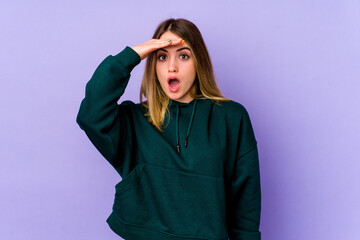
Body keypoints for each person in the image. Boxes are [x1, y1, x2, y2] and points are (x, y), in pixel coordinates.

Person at [76, 18, 261, 240]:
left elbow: (246, 200)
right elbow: (91, 114)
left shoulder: (230, 117)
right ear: (153, 65)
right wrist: (132, 55)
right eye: (162, 57)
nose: (172, 67)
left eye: (183, 56)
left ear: (198, 62)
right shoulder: (136, 120)